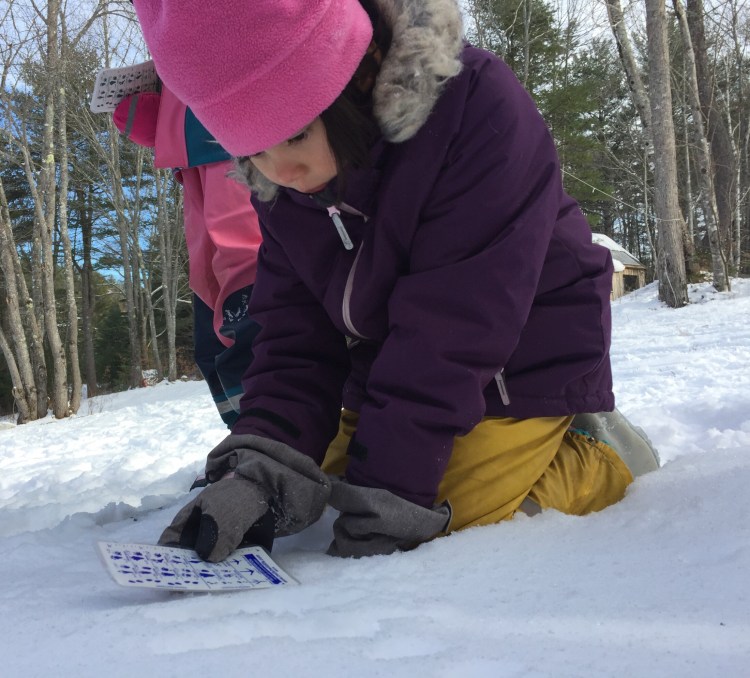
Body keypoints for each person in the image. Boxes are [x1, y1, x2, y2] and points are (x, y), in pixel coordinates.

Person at [133, 0, 659, 561]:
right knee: (321, 480)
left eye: (297, 134)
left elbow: (454, 326)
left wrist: (394, 490)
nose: (279, 172)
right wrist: (259, 473)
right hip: (397, 363)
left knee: (442, 517)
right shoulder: (284, 185)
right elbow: (294, 337)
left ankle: (596, 452)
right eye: (252, 151)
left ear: (359, 72)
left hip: (520, 365)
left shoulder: (473, 105)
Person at [113, 83, 263, 427]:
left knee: (249, 280)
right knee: (209, 306)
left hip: (244, 142)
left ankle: (276, 435)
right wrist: (161, 120)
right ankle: (246, 432)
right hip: (192, 161)